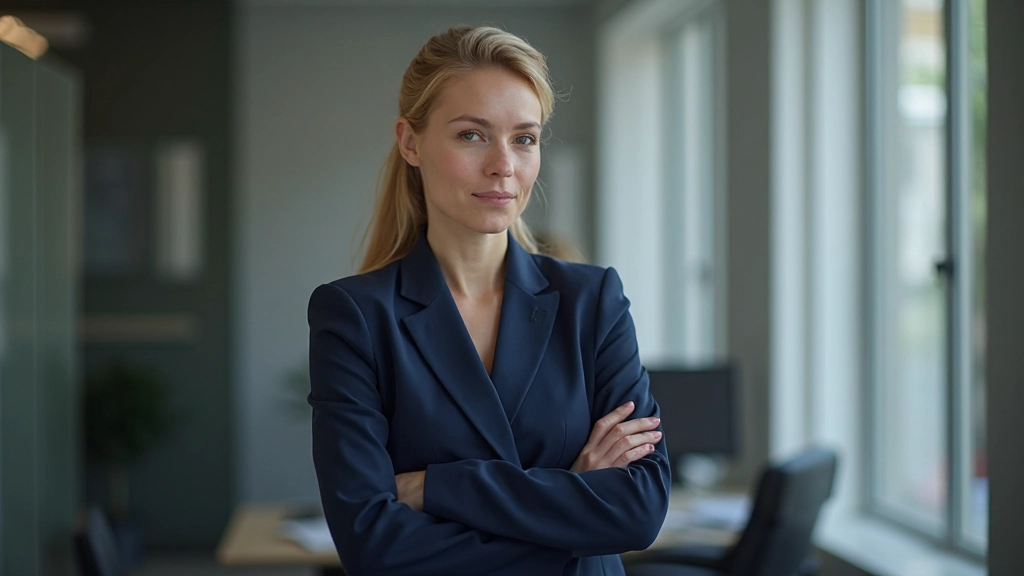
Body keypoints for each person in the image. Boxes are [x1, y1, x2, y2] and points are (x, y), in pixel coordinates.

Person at [307, 25, 670, 576]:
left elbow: (638, 512)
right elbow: (372, 546)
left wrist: (437, 487)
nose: (504, 165)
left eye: (524, 139)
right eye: (472, 135)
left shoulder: (593, 301)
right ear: (410, 142)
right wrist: (574, 501)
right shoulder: (354, 317)